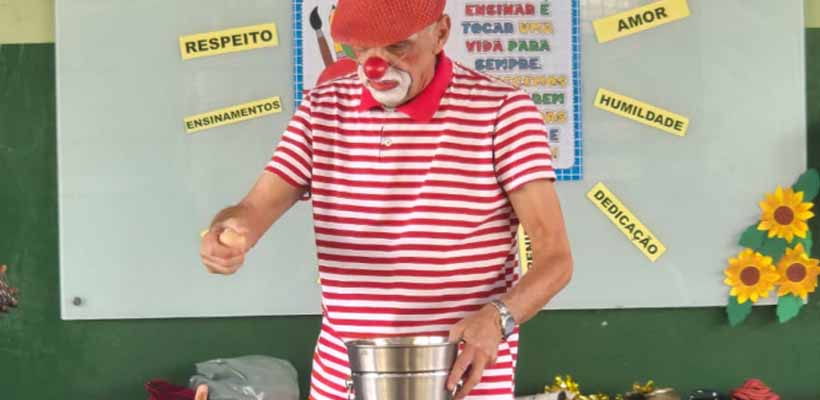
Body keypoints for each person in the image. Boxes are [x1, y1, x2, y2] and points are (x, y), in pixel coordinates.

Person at [198, 0, 573, 398]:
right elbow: (254, 208)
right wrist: (231, 230)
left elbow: (555, 259)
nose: (375, 66)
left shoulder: (504, 111)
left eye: (397, 46)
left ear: (441, 33)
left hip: (462, 376)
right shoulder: (321, 109)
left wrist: (499, 318)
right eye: (361, 48)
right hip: (345, 377)